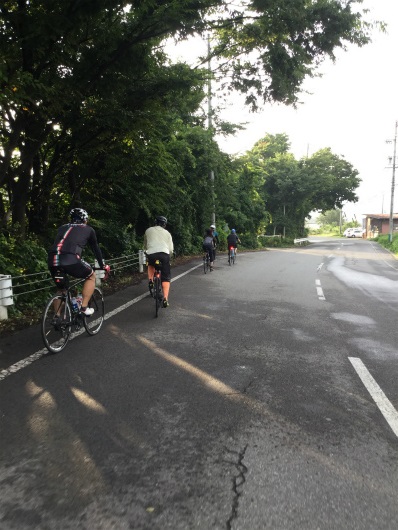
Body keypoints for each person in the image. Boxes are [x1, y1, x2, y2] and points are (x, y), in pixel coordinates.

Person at [48, 208, 109, 316]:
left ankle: (56, 318)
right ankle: (84, 308)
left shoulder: (62, 228)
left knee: (61, 289)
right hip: (71, 259)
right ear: (85, 220)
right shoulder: (89, 229)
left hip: (52, 260)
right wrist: (102, 265)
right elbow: (96, 249)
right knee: (91, 276)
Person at [144, 215, 174, 308]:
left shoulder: (148, 230)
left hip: (152, 254)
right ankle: (165, 299)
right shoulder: (167, 233)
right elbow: (171, 249)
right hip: (164, 255)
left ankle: (150, 280)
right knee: (165, 277)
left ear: (155, 222)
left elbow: (145, 245)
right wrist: (170, 256)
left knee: (151, 264)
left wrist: (146, 252)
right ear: (164, 224)